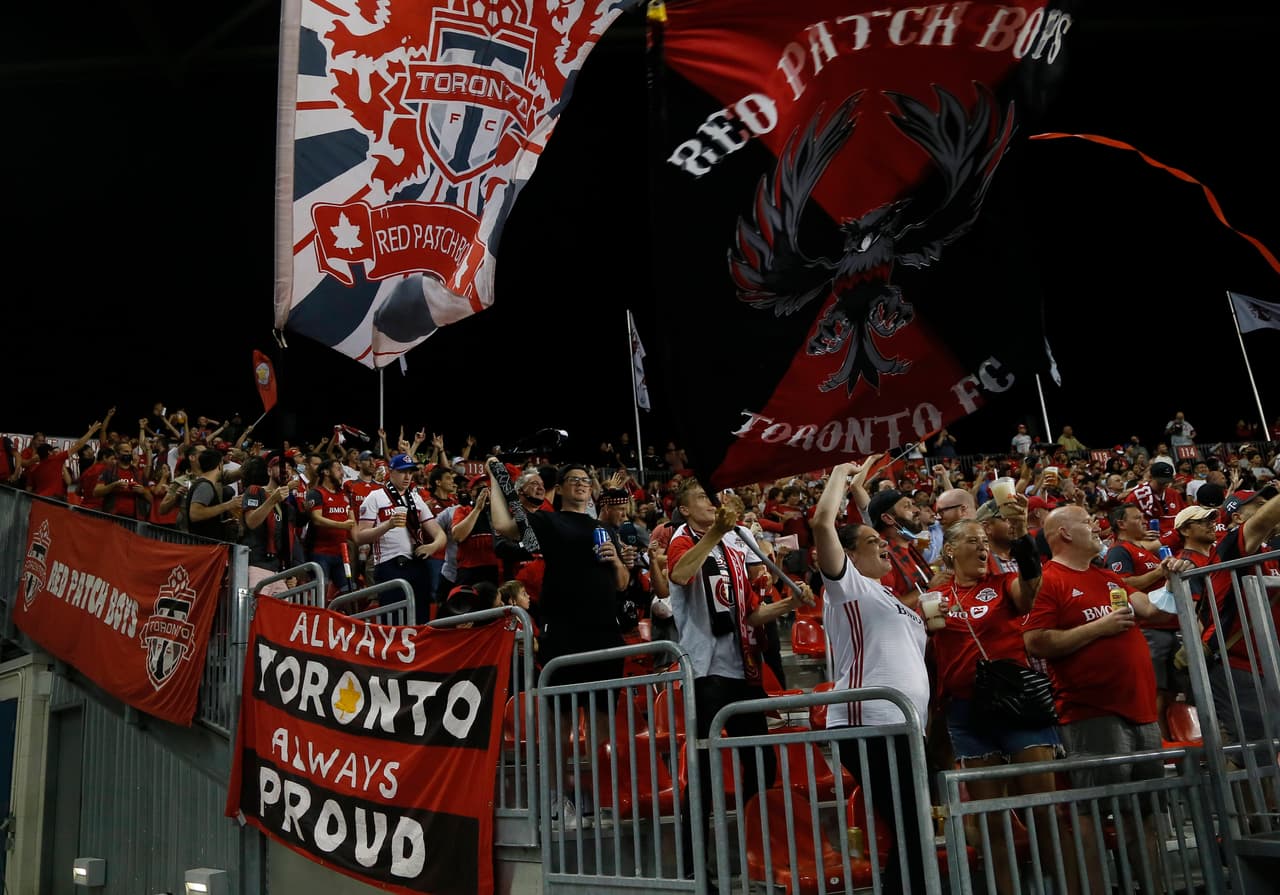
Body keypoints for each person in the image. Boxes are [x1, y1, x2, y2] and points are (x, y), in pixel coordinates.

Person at [1023, 505, 1188, 881]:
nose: (1096, 526)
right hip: (1092, 712)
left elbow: (1148, 607)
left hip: (1142, 710)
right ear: (1064, 533)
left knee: (1147, 812)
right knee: (1094, 812)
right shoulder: (1051, 579)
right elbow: (1034, 641)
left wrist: (1174, 576)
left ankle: (1155, 887)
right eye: (1085, 522)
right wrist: (1098, 628)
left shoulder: (1107, 576)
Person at [665, 477, 809, 880]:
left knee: (762, 765)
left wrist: (788, 602)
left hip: (743, 667)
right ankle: (694, 868)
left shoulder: (732, 545)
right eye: (702, 500)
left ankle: (757, 851)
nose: (713, 505)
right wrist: (715, 531)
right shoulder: (685, 538)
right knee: (704, 771)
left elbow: (749, 614)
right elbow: (679, 575)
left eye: (715, 499)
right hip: (706, 671)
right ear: (685, 510)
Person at [812, 459, 928, 895]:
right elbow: (823, 524)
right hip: (869, 724)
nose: (883, 545)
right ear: (850, 554)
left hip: (905, 726)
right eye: (872, 540)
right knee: (909, 824)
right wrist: (840, 472)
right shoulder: (849, 587)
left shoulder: (889, 596)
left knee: (912, 826)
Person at [1105, 503, 1181, 739]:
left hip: (1169, 625)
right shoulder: (1120, 551)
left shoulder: (1145, 549)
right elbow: (1121, 583)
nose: (1144, 521)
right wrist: (1159, 572)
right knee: (1156, 689)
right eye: (1137, 518)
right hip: (1150, 629)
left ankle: (1173, 739)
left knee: (1171, 691)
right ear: (1121, 524)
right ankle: (1159, 743)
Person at [355, 453, 446, 620]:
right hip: (389, 564)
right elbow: (360, 537)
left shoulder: (416, 498)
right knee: (394, 619)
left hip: (417, 563)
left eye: (410, 472)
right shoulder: (375, 497)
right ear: (391, 471)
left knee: (421, 618)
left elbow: (440, 534)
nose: (407, 476)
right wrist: (387, 525)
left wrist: (432, 546)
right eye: (403, 472)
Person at [865, 487, 931, 604]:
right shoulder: (882, 557)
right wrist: (930, 588)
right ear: (888, 518)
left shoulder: (908, 545)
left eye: (913, 504)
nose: (916, 510)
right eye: (907, 506)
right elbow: (892, 607)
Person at [304, 459, 356, 595]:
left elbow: (352, 521)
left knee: (349, 591)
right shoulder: (316, 493)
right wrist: (342, 525)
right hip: (320, 553)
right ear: (326, 472)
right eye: (338, 469)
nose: (342, 473)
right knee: (320, 592)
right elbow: (316, 519)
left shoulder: (345, 495)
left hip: (342, 552)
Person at [185, 450, 242, 540]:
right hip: (203, 547)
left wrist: (221, 523)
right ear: (220, 465)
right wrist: (228, 505)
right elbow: (195, 514)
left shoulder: (203, 484)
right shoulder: (205, 486)